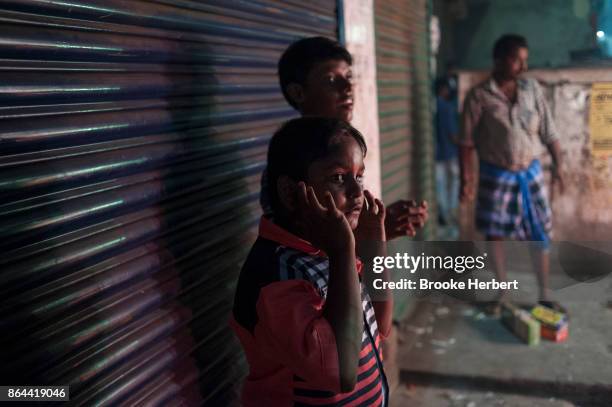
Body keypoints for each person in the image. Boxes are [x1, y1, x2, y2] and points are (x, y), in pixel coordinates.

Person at [232, 118, 390, 406]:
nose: (357, 194)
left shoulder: (329, 251)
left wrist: (373, 246)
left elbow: (380, 324)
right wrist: (344, 251)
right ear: (291, 192)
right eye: (339, 178)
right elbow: (341, 375)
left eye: (359, 176)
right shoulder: (276, 275)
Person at [260, 36, 428, 240]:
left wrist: (379, 224)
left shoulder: (347, 147)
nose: (347, 87)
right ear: (298, 92)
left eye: (348, 76)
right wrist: (372, 234)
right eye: (331, 80)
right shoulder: (289, 163)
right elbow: (310, 250)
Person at [459, 34, 565, 312]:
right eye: (516, 60)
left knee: (539, 231)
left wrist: (559, 166)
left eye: (524, 60)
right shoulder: (479, 96)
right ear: (499, 59)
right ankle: (501, 294)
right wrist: (465, 180)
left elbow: (550, 132)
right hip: (496, 175)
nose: (522, 66)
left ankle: (544, 294)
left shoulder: (532, 91)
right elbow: (467, 143)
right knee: (495, 235)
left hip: (530, 174)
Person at [434, 76, 460, 232]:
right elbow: (452, 134)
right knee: (452, 183)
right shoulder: (447, 107)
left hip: (437, 153)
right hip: (449, 152)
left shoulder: (433, 104)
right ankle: (448, 212)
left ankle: (443, 213)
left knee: (440, 184)